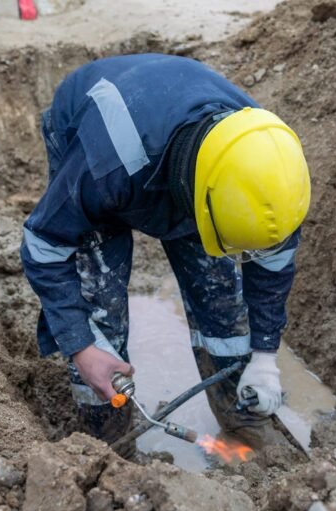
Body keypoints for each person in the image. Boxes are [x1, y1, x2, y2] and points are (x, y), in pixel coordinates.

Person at [20, 53, 310, 450]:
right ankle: (105, 434)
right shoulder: (104, 165)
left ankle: (239, 413)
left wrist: (264, 357)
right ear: (197, 201)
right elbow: (44, 246)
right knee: (98, 304)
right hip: (105, 134)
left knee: (222, 295)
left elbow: (272, 267)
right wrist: (82, 346)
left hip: (188, 148)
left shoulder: (264, 168)